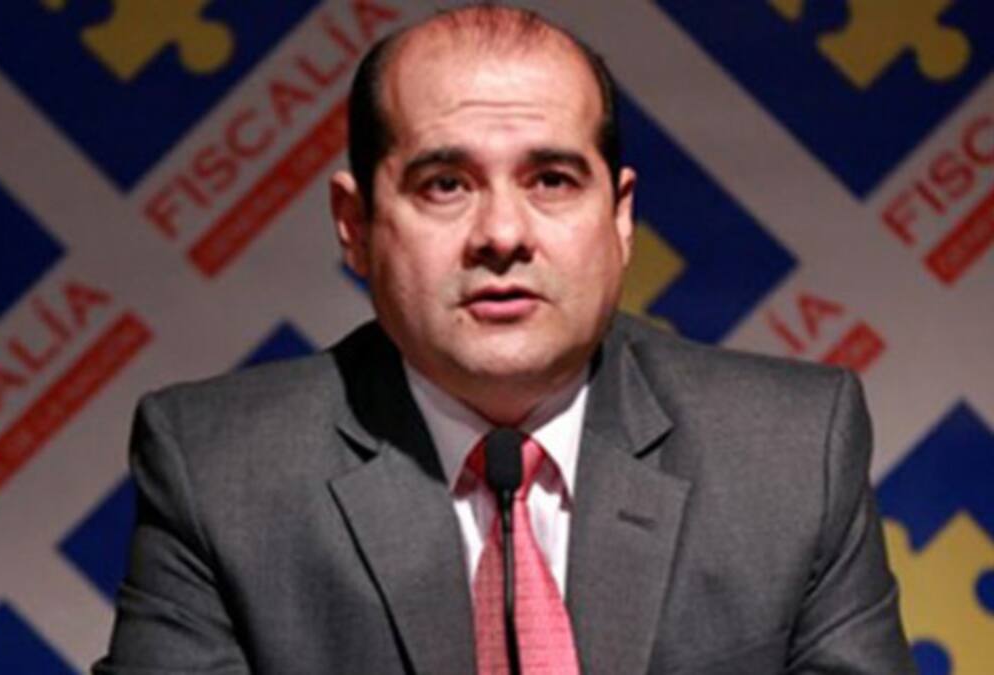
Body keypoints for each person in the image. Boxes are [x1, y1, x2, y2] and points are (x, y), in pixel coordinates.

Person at [95, 5, 914, 674]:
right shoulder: (217, 468)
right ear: (355, 224)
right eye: (445, 184)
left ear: (620, 217)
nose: (502, 234)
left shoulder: (794, 449)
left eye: (551, 180)